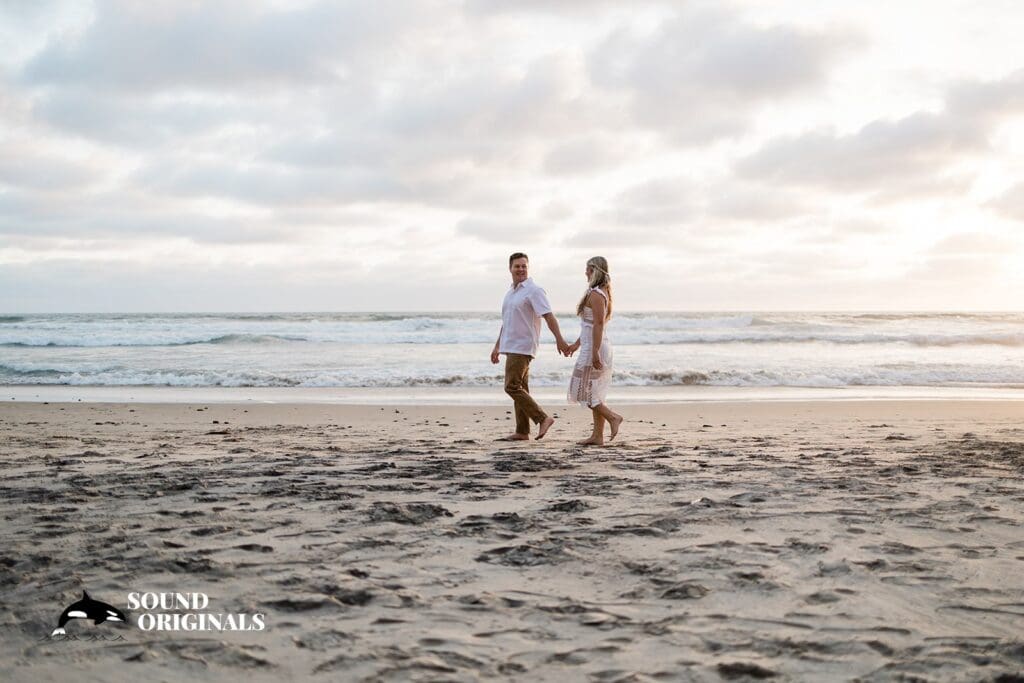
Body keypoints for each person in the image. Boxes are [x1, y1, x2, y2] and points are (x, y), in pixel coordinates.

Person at [491, 252, 571, 440]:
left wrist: (559, 339)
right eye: (517, 266)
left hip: (523, 345)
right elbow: (506, 322)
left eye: (524, 266)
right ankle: (522, 431)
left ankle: (542, 418)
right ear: (510, 268)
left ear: (528, 268)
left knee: (511, 386)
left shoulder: (534, 291)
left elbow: (549, 316)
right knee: (521, 388)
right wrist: (497, 346)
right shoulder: (511, 293)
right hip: (510, 345)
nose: (521, 269)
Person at [565, 256, 623, 445]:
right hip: (592, 346)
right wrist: (576, 344)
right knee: (594, 392)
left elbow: (598, 324)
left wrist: (595, 352)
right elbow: (588, 326)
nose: (585, 273)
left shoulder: (597, 294)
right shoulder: (598, 292)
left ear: (594, 271)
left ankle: (613, 417)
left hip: (595, 348)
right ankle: (598, 436)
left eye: (588, 269)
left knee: (582, 391)